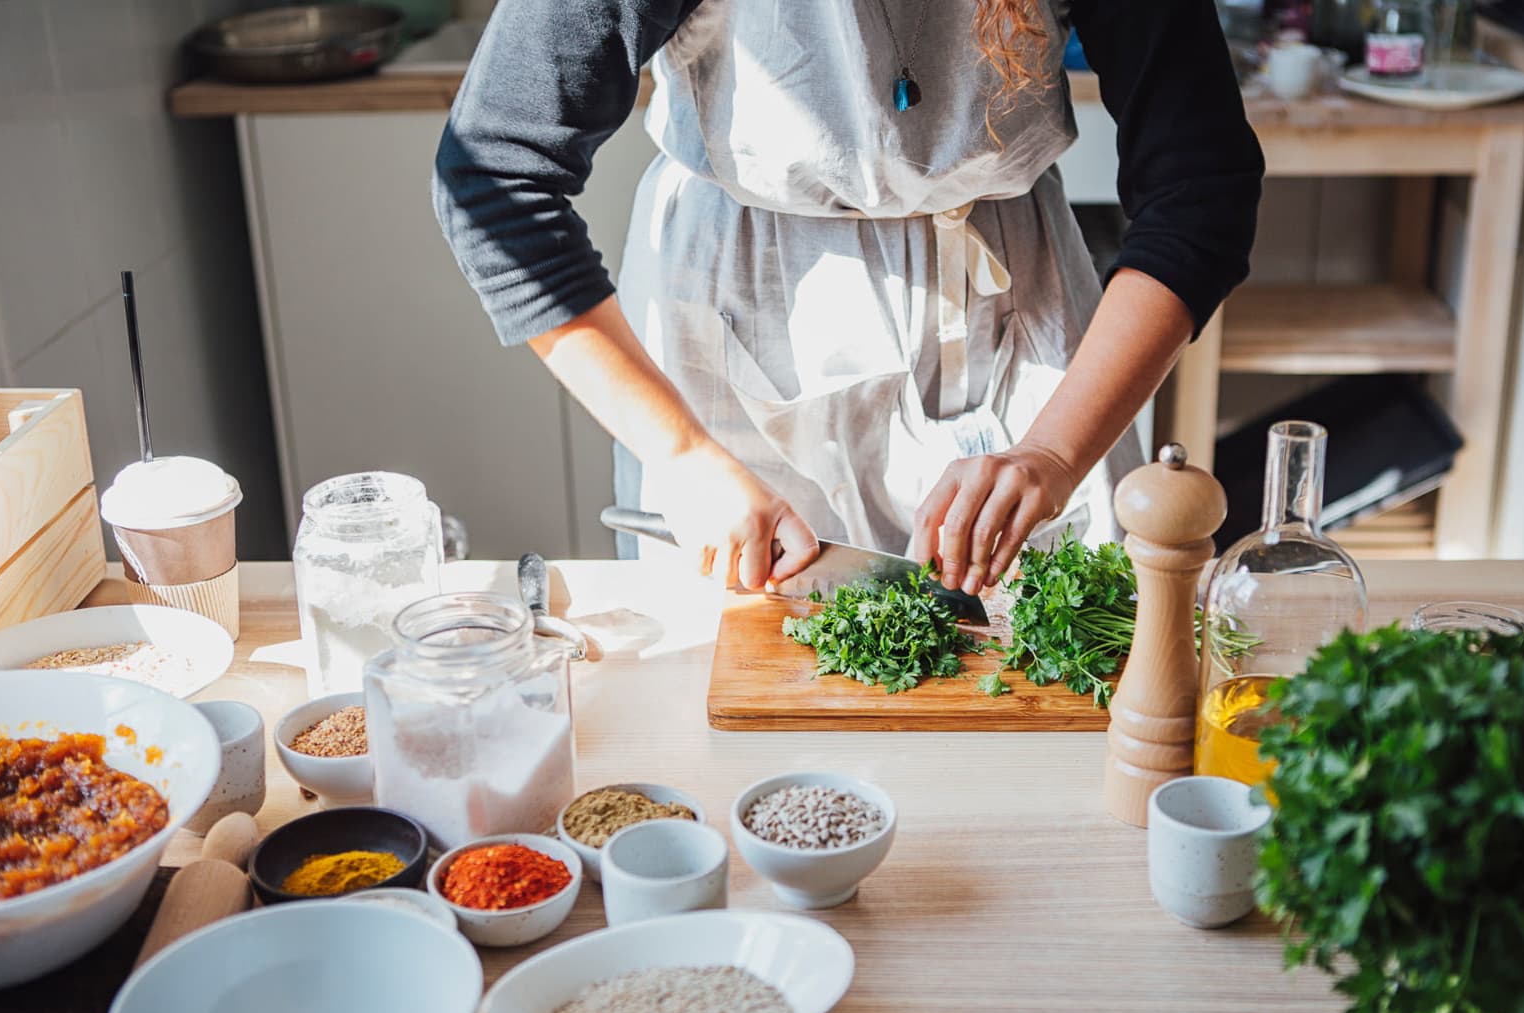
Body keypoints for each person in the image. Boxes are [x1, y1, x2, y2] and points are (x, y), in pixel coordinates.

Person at [435, 0, 1262, 596]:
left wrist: (1051, 454)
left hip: (1014, 301)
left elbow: (1203, 186)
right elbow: (494, 175)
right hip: (740, 309)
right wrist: (684, 459)